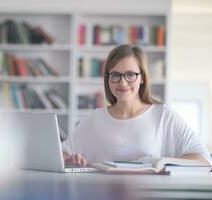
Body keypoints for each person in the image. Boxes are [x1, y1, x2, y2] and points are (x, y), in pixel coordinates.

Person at [62, 44, 211, 166]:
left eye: (130, 74)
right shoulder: (95, 118)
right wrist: (69, 161)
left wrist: (162, 163)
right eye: (115, 75)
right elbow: (61, 154)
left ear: (142, 78)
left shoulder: (163, 115)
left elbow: (204, 159)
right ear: (108, 79)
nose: (122, 82)